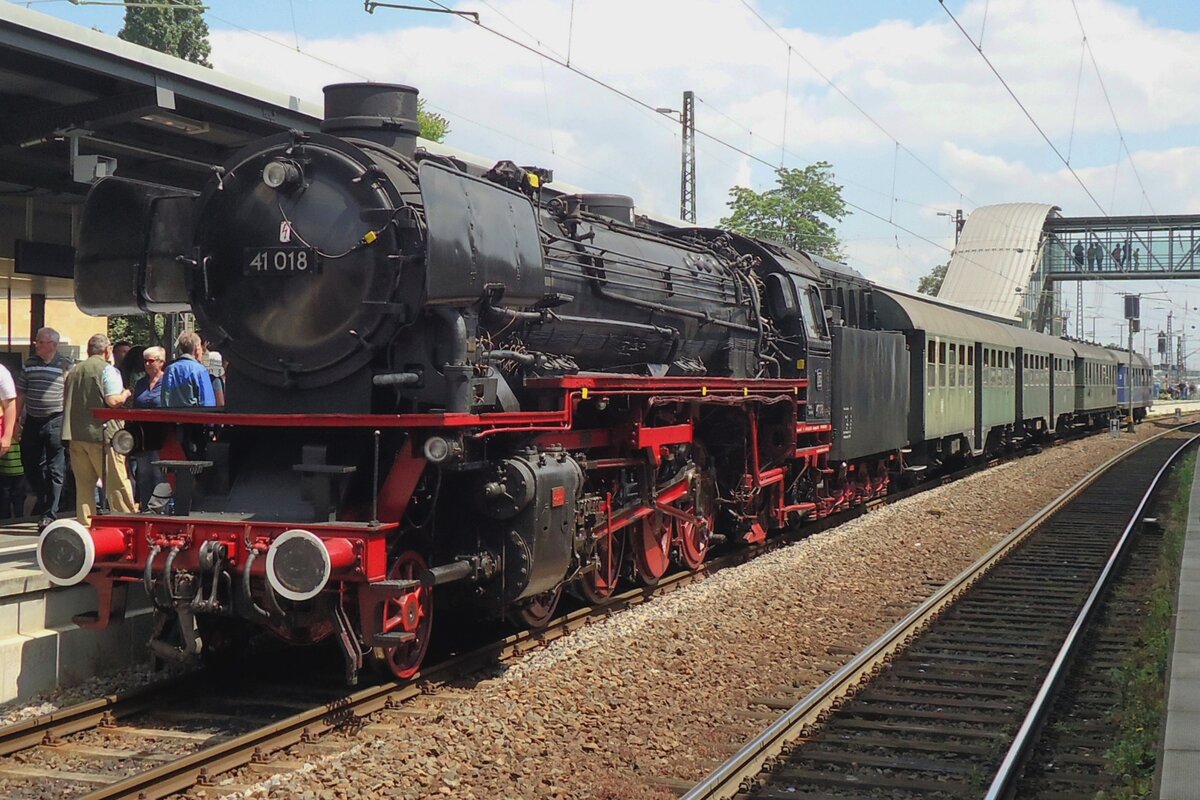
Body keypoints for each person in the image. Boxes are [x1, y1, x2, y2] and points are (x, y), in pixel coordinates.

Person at [62, 334, 134, 527]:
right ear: (107, 350)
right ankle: (127, 523)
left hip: (76, 435)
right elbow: (112, 401)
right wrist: (125, 394)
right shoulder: (108, 371)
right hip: (103, 436)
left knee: (84, 487)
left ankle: (86, 525)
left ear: (88, 350)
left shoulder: (73, 371)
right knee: (116, 483)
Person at [13, 327, 72, 530]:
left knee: (56, 467)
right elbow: (21, 393)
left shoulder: (65, 365)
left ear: (53, 345)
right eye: (37, 341)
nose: (36, 345)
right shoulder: (29, 364)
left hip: (55, 419)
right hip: (32, 420)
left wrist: (67, 421)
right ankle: (45, 497)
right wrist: (16, 421)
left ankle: (49, 513)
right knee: (29, 462)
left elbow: (68, 394)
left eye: (40, 342)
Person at [131, 346, 167, 505]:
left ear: (161, 362)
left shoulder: (167, 382)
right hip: (142, 436)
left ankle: (160, 509)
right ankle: (145, 508)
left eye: (151, 361)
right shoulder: (140, 383)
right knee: (144, 475)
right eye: (145, 361)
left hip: (162, 436)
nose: (146, 364)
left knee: (160, 475)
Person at [162, 332, 217, 408]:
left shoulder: (169, 369)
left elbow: (165, 399)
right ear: (196, 349)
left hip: (173, 417)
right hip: (194, 417)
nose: (202, 352)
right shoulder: (200, 370)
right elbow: (207, 402)